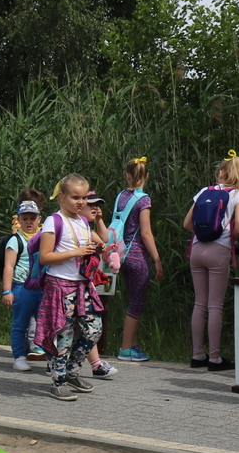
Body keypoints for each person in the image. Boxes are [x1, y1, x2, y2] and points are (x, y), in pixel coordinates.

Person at [36, 174, 104, 401]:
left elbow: (83, 247)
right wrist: (77, 252)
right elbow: (45, 257)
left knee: (94, 329)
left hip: (82, 285)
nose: (81, 202)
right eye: (76, 197)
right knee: (63, 334)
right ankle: (58, 380)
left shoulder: (82, 221)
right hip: (60, 285)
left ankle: (72, 372)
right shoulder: (53, 221)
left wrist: (94, 250)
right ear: (62, 196)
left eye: (84, 197)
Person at [185, 151, 239, 370]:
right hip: (219, 251)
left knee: (199, 304)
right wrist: (234, 236)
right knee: (215, 306)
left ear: (221, 173)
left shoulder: (204, 191)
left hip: (196, 250)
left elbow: (187, 223)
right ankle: (214, 358)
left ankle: (197, 355)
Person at [112, 157, 164, 362]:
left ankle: (131, 345)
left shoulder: (121, 196)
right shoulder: (144, 200)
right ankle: (126, 348)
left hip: (121, 253)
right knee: (136, 302)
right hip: (137, 257)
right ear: (147, 176)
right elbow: (146, 233)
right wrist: (157, 259)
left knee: (132, 300)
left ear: (128, 175)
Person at [1, 195, 45, 370]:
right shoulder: (15, 240)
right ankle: (19, 356)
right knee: (20, 323)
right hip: (21, 287)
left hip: (42, 287)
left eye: (32, 218)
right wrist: (7, 290)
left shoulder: (44, 238)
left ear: (39, 219)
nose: (29, 222)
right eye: (25, 218)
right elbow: (9, 266)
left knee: (44, 322)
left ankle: (44, 352)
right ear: (18, 220)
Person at [82, 192, 118, 380]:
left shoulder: (89, 229)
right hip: (73, 285)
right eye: (91, 205)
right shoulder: (75, 229)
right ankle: (56, 361)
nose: (95, 209)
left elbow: (103, 239)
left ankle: (96, 365)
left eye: (98, 206)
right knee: (76, 325)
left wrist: (100, 219)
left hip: (87, 284)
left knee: (87, 324)